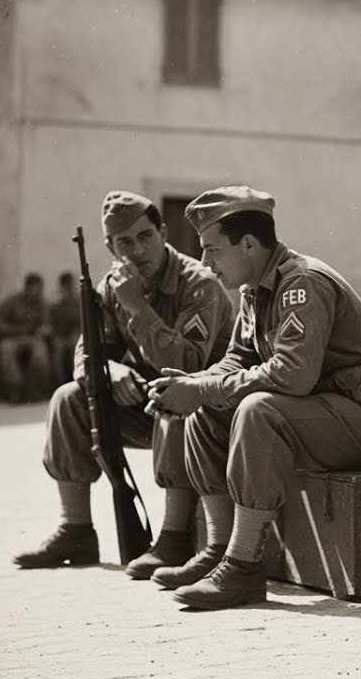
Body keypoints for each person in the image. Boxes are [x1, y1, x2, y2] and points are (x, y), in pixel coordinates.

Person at [145, 185, 361, 611]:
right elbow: (238, 358)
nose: (204, 262)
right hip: (321, 416)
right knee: (204, 412)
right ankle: (218, 552)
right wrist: (192, 387)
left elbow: (293, 375)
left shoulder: (301, 283)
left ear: (248, 244)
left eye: (213, 250)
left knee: (258, 409)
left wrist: (202, 387)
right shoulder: (255, 288)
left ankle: (243, 567)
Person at [13, 191, 234, 581]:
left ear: (164, 232)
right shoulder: (111, 286)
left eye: (146, 237)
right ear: (110, 246)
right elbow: (86, 354)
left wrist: (137, 307)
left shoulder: (199, 285)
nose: (138, 250)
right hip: (154, 405)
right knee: (70, 399)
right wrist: (110, 371)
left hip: (208, 411)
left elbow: (187, 365)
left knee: (174, 395)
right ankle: (76, 530)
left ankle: (174, 537)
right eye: (125, 242)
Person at [0, 272, 52, 402]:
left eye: (39, 289)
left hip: (32, 338)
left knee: (40, 353)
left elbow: (47, 325)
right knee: (6, 349)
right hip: (13, 337)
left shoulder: (42, 304)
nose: (37, 293)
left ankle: (34, 390)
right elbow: (0, 324)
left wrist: (41, 331)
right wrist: (15, 330)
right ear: (27, 288)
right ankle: (14, 389)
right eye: (34, 289)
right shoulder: (13, 301)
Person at [49, 272, 81, 385]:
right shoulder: (57, 305)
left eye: (70, 286)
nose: (68, 289)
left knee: (76, 346)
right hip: (62, 336)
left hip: (79, 335)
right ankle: (60, 383)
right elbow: (54, 325)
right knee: (58, 348)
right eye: (65, 286)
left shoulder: (80, 302)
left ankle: (78, 381)